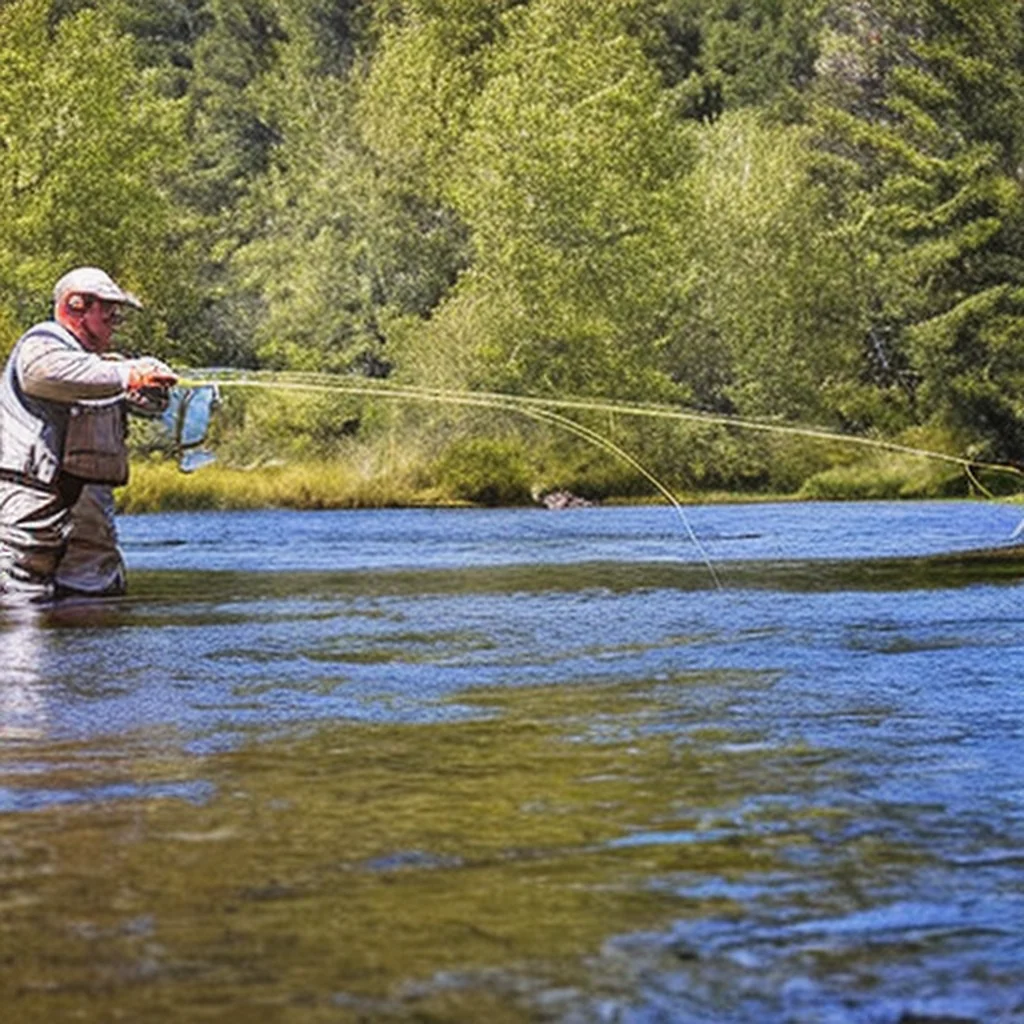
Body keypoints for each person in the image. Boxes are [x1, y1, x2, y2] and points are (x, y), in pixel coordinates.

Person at [0, 266, 177, 602]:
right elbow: (45, 375)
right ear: (75, 306)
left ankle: (93, 656)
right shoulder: (42, 343)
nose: (115, 317)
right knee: (20, 592)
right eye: (107, 308)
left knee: (97, 594)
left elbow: (151, 403)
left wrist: (151, 384)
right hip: (32, 493)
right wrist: (127, 373)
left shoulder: (101, 364)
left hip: (90, 501)